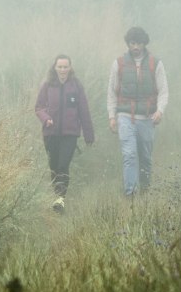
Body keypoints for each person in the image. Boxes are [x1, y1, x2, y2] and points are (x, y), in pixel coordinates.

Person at [107, 26, 168, 197]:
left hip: (148, 118)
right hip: (125, 117)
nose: (135, 47)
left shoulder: (155, 63)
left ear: (144, 43)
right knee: (129, 155)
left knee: (145, 158)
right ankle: (130, 195)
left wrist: (160, 111)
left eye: (139, 43)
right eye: (132, 43)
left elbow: (163, 91)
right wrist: (112, 116)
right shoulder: (118, 64)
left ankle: (145, 191)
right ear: (128, 43)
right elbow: (112, 92)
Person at [34, 54, 95, 213]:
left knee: (63, 165)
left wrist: (89, 135)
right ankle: (56, 196)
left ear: (70, 67)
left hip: (70, 134)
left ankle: (61, 199)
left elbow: (84, 111)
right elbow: (38, 107)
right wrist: (46, 119)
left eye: (65, 67)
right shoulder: (47, 85)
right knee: (53, 166)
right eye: (60, 67)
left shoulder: (76, 86)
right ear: (55, 68)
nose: (62, 70)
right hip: (51, 133)